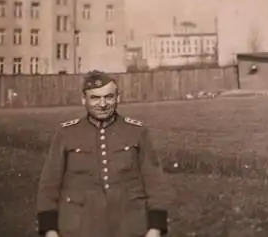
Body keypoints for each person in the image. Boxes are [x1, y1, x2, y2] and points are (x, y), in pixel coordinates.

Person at [36, 70, 173, 237]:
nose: (102, 104)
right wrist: (50, 230)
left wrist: (155, 229)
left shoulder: (137, 132)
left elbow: (155, 183)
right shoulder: (66, 133)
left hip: (129, 228)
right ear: (83, 100)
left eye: (108, 97)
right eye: (95, 98)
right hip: (78, 228)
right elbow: (49, 185)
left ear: (118, 98)